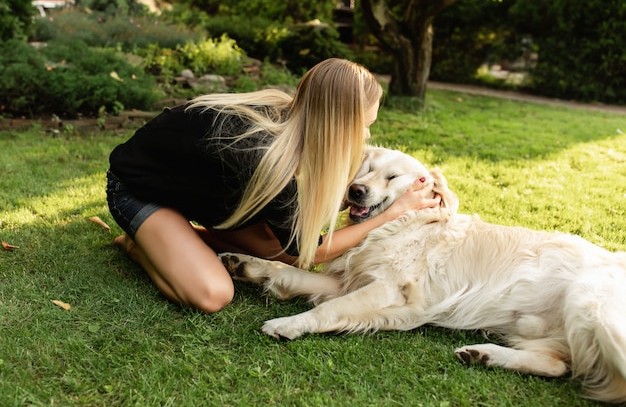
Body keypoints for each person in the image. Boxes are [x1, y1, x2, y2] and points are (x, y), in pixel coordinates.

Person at [106, 58, 440, 313]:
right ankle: (142, 246)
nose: (366, 135)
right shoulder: (262, 156)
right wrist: (392, 213)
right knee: (213, 293)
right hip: (136, 191)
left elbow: (293, 238)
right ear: (339, 124)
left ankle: (177, 243)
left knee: (276, 250)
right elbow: (312, 252)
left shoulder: (286, 119)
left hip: (186, 190)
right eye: (365, 126)